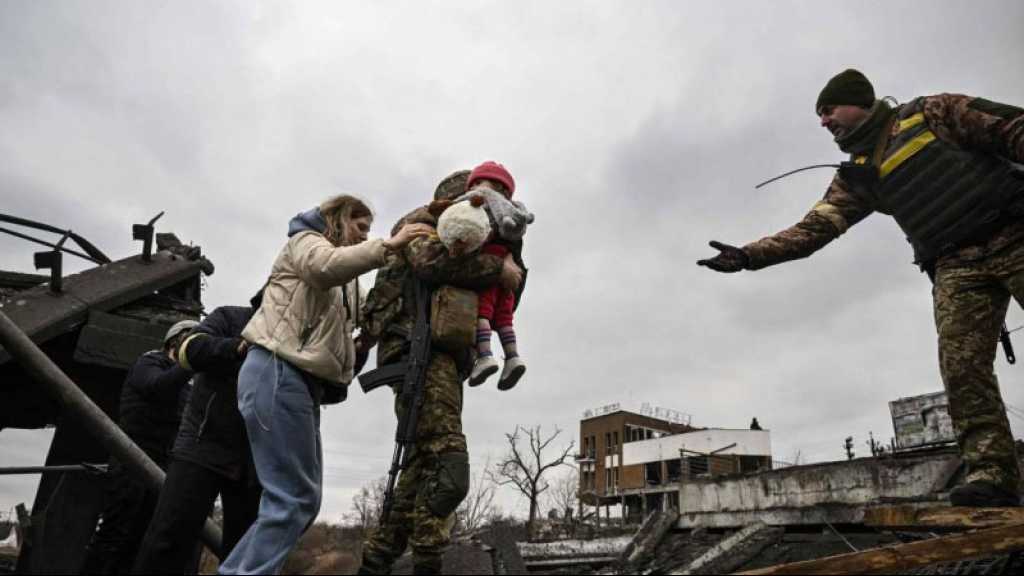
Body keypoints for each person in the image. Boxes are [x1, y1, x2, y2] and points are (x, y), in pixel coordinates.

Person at [698, 68, 1024, 507]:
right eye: (819, 115)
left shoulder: (933, 113)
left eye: (828, 110)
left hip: (1014, 233)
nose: (823, 121)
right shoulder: (860, 174)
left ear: (860, 101)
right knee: (963, 370)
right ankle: (993, 473)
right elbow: (814, 229)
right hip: (955, 267)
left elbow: (1012, 129)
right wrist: (750, 256)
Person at [217, 195, 430, 574]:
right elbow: (324, 266)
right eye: (359, 227)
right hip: (277, 371)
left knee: (301, 500)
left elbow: (371, 307)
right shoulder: (306, 242)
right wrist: (388, 246)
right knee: (292, 498)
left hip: (299, 383)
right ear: (337, 220)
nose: (365, 235)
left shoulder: (347, 286)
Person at [357, 170, 525, 575]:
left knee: (417, 473)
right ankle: (428, 561)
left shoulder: (491, 240)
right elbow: (430, 262)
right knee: (450, 467)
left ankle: (374, 564)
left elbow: (509, 292)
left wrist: (507, 257)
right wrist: (495, 267)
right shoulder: (421, 223)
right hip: (417, 350)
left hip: (447, 359)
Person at [132, 304, 260, 573]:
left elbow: (329, 387)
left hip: (254, 460)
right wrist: (237, 348)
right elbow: (190, 352)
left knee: (241, 553)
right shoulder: (230, 318)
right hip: (200, 447)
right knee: (166, 540)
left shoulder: (298, 335)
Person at [80, 320, 198, 574]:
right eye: (192, 340)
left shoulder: (188, 385)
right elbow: (158, 387)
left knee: (143, 539)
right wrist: (192, 363)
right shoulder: (150, 362)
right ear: (175, 341)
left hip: (163, 465)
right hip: (133, 458)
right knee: (116, 532)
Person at [460, 161, 530, 390]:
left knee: (483, 314)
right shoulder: (515, 217)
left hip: (488, 277)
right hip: (508, 282)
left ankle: (485, 355)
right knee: (504, 319)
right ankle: (512, 357)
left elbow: (474, 234)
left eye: (480, 182)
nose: (476, 187)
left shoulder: (481, 208)